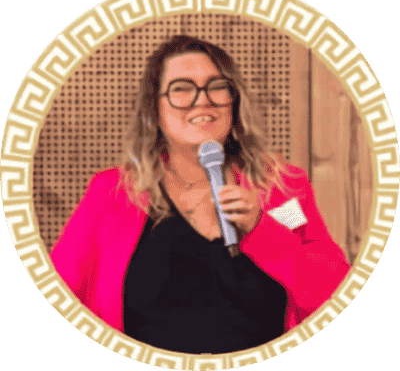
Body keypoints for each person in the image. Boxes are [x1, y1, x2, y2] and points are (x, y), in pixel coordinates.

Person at [50, 35, 350, 354]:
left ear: (233, 101)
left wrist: (263, 230)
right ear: (155, 107)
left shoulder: (284, 188)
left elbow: (336, 300)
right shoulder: (112, 195)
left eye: (217, 86)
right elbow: (55, 302)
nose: (202, 100)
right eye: (181, 88)